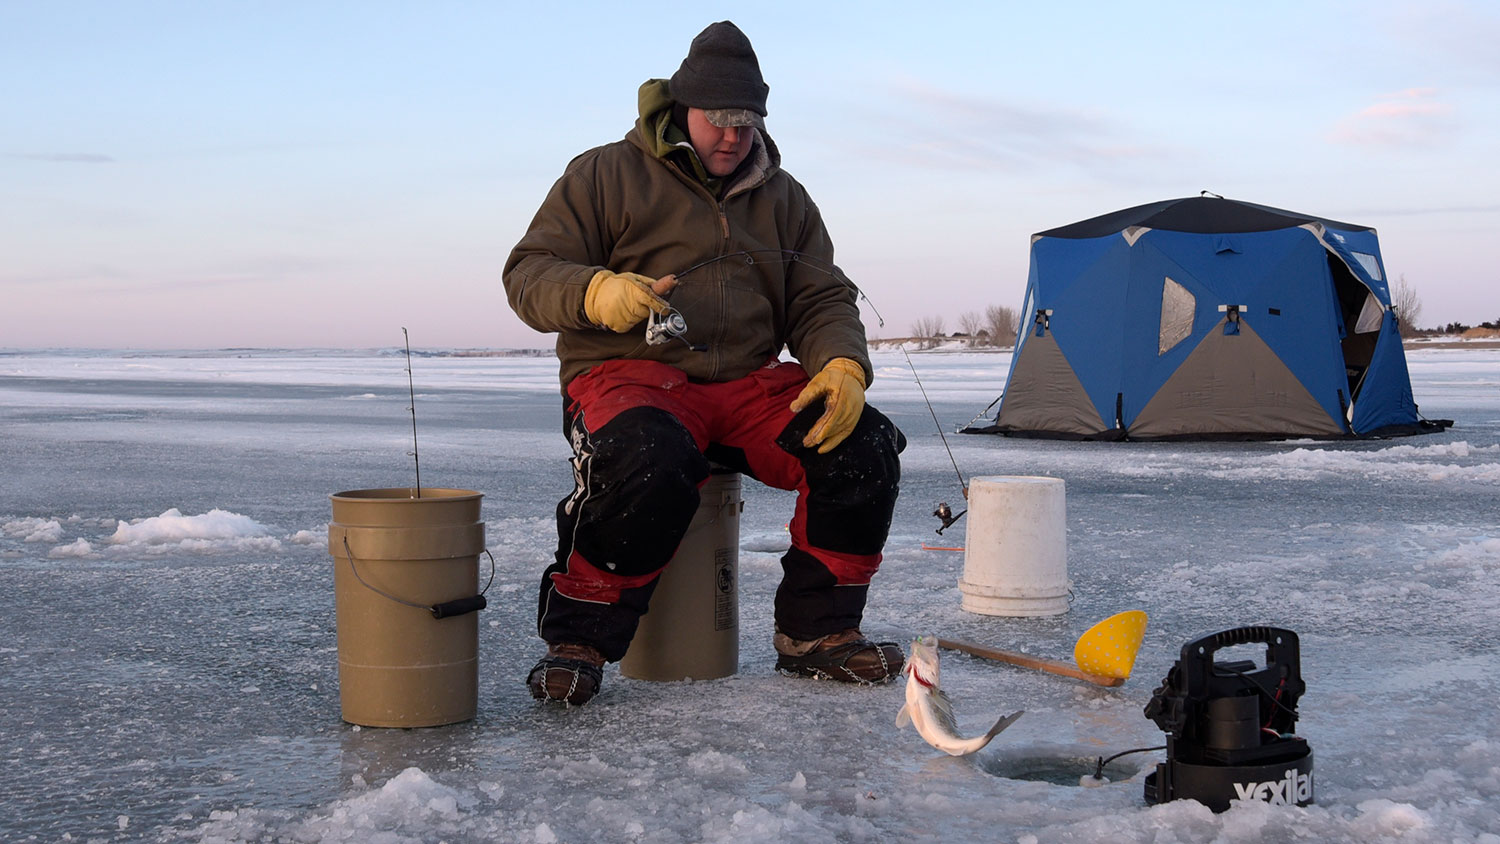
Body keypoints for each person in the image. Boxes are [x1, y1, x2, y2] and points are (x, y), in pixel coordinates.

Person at [503, 20, 905, 706]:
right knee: (646, 455)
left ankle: (818, 632)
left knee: (861, 444)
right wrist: (596, 291)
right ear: (679, 108)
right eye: (718, 119)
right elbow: (529, 273)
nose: (732, 135)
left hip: (747, 385)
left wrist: (841, 363)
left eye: (746, 122)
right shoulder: (604, 173)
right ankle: (579, 641)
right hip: (630, 376)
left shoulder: (786, 198)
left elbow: (820, 298)